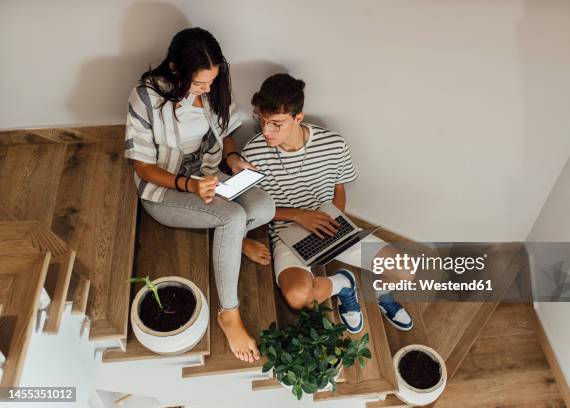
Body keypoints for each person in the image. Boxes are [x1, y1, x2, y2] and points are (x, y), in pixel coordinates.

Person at [124, 27, 275, 362]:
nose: (207, 90)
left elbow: (226, 132)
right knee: (233, 216)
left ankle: (230, 238)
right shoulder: (147, 97)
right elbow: (143, 169)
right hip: (165, 186)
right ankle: (229, 313)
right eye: (199, 84)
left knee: (264, 207)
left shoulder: (214, 84)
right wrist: (188, 186)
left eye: (212, 82)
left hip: (206, 171)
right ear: (176, 69)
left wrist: (233, 159)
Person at [242, 74, 413, 333]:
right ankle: (343, 285)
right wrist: (299, 216)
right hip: (286, 232)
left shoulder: (333, 144)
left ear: (298, 118)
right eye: (262, 120)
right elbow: (249, 207)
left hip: (331, 225)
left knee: (406, 270)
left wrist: (335, 219)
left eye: (276, 123)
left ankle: (381, 293)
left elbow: (339, 188)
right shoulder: (252, 153)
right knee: (299, 297)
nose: (266, 130)